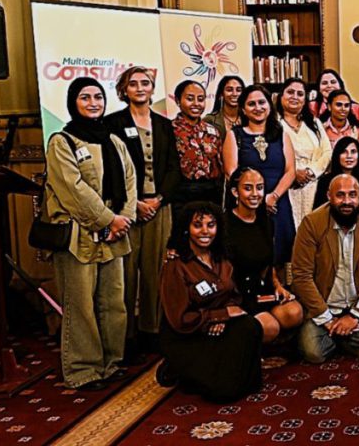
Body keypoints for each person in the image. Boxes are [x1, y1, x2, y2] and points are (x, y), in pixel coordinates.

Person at [44, 78, 136, 390]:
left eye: (98, 97)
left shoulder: (114, 140)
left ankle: (111, 363)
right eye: (86, 97)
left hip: (115, 233)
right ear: (73, 102)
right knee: (81, 304)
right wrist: (107, 219)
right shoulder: (62, 142)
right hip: (79, 234)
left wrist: (123, 219)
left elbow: (130, 181)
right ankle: (83, 370)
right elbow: (72, 189)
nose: (94, 102)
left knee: (113, 302)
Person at [104, 67, 179, 359]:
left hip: (160, 208)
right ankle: (127, 336)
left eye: (145, 83)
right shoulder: (112, 124)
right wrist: (135, 204)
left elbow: (174, 167)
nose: (139, 87)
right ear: (124, 90)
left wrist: (158, 200)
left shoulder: (164, 125)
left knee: (155, 272)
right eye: (132, 84)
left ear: (152, 88)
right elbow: (111, 169)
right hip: (126, 209)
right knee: (126, 274)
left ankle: (152, 331)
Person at [157, 202, 263, 402]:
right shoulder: (176, 265)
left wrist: (223, 316)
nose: (205, 231)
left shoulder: (221, 257)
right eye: (198, 225)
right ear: (187, 229)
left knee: (250, 327)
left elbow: (233, 294)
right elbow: (179, 319)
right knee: (224, 394)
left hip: (218, 326)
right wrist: (216, 317)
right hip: (188, 335)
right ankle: (177, 368)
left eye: (211, 225)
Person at [292, 175, 359, 362]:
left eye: (352, 195)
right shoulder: (311, 223)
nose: (347, 201)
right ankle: (339, 333)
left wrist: (355, 316)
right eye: (340, 195)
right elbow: (301, 275)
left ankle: (339, 334)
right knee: (314, 353)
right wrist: (327, 319)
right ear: (329, 196)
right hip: (324, 305)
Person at [224, 167, 303, 343]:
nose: (255, 194)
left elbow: (268, 263)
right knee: (269, 327)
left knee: (294, 313)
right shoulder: (224, 225)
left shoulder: (266, 222)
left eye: (259, 187)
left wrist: (277, 286)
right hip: (238, 295)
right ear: (235, 192)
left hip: (262, 290)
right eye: (248, 188)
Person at [222, 85, 296, 269]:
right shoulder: (234, 135)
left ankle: (279, 293)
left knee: (280, 256)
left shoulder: (281, 135)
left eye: (262, 102)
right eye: (251, 104)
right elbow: (231, 172)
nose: (258, 107)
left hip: (278, 204)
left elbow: (290, 171)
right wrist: (260, 199)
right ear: (243, 109)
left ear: (269, 106)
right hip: (247, 206)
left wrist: (274, 197)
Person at [276, 78, 332, 227]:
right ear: (281, 96)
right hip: (285, 187)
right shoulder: (274, 124)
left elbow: (327, 152)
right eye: (290, 92)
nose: (295, 97)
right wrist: (294, 173)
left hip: (313, 185)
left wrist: (310, 171)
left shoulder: (314, 123)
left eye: (300, 94)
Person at [172, 80, 225, 212]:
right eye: (190, 99)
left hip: (212, 192)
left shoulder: (213, 130)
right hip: (183, 192)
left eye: (200, 99)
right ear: (178, 101)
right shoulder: (169, 129)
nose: (196, 104)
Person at [314, 136, 359, 211]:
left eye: (353, 152)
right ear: (337, 155)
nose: (349, 156)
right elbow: (318, 211)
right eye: (344, 152)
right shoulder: (325, 181)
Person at [324, 89, 359, 168]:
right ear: (329, 106)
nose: (343, 108)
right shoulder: (321, 130)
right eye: (339, 105)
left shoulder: (357, 131)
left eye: (346, 105)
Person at [205, 75, 244, 144]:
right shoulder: (210, 120)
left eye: (238, 90)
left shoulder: (250, 119)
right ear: (221, 94)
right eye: (229, 90)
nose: (234, 94)